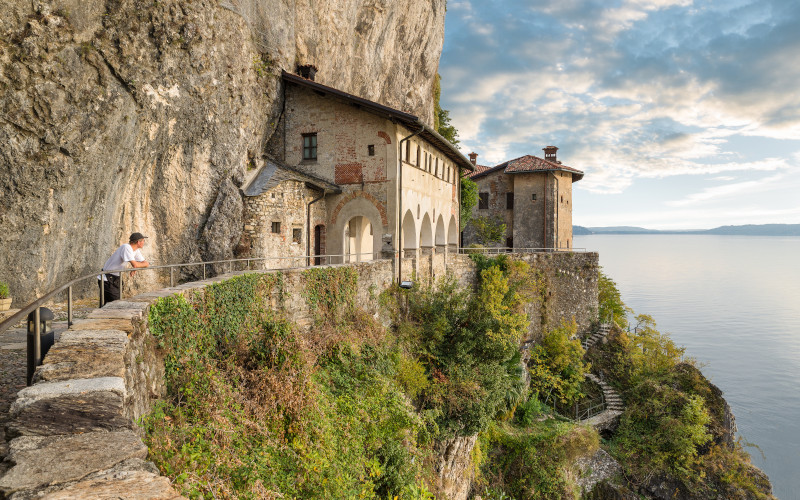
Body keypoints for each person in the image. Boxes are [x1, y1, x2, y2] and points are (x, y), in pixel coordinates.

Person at [98, 232, 150, 306]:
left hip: (115, 278)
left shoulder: (135, 250)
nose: (144, 242)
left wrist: (136, 267)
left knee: (110, 302)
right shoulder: (126, 247)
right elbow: (135, 264)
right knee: (115, 302)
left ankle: (104, 315)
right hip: (107, 278)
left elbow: (145, 263)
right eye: (143, 241)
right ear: (138, 242)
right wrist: (136, 267)